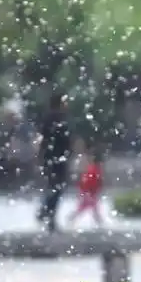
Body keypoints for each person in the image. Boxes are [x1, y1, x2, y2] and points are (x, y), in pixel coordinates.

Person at [37, 92, 71, 233]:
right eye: (65, 102)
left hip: (50, 158)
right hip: (57, 159)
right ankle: (47, 214)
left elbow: (43, 140)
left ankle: (46, 213)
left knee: (53, 187)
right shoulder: (57, 119)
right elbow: (60, 140)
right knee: (56, 188)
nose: (67, 105)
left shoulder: (49, 118)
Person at [68, 152, 104, 227]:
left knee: (87, 207)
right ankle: (98, 221)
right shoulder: (94, 169)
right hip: (90, 192)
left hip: (90, 192)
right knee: (88, 207)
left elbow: (88, 181)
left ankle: (73, 217)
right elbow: (91, 182)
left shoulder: (93, 169)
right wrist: (88, 191)